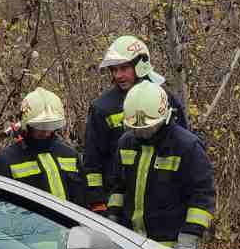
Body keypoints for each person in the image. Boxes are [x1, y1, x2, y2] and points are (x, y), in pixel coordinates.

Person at [80, 35, 189, 213]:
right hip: (121, 201)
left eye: (124, 68)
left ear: (141, 66)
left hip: (165, 200)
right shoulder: (102, 108)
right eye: (114, 70)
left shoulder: (165, 99)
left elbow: (184, 146)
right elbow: (92, 161)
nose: (118, 75)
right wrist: (97, 202)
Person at [105, 80, 215, 249]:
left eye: (147, 127)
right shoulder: (126, 143)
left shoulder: (186, 146)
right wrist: (112, 219)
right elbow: (117, 187)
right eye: (135, 128)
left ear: (165, 117)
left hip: (171, 247)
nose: (141, 132)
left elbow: (203, 195)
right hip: (131, 242)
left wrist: (189, 238)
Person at [0, 87, 86, 204]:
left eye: (50, 125)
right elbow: (0, 207)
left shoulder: (70, 155)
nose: (45, 131)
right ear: (27, 124)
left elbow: (83, 199)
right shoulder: (5, 161)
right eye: (40, 126)